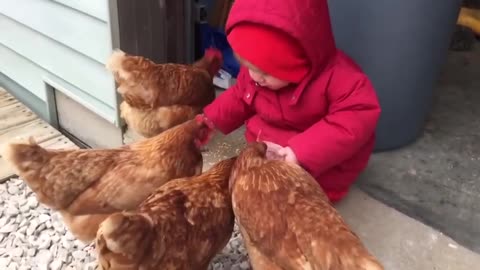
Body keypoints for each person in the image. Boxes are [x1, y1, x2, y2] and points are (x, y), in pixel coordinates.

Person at [203, 0, 381, 202]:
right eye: (248, 66)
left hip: (316, 164)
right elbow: (240, 96)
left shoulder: (341, 80)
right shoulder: (257, 74)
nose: (254, 77)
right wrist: (212, 118)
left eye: (265, 72)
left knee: (299, 200)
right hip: (268, 149)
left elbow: (353, 120)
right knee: (251, 185)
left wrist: (301, 153)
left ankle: (308, 196)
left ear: (297, 61)